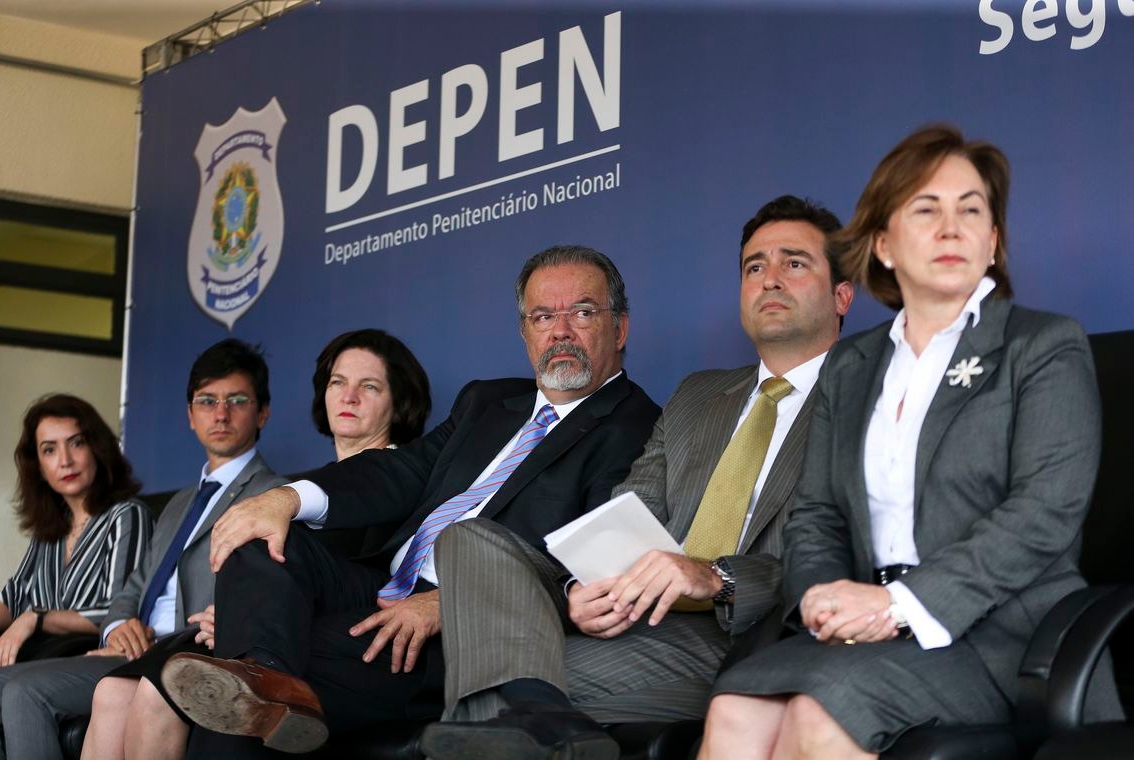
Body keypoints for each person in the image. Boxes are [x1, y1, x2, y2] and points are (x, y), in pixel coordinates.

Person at [700, 125, 1122, 759]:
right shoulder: (853, 366)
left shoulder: (1042, 345)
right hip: (866, 633)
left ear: (994, 240)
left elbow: (1043, 517)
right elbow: (816, 516)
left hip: (1001, 638)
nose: (952, 228)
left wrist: (897, 605)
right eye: (926, 210)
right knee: (734, 711)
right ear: (884, 245)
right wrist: (819, 598)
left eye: (971, 210)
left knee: (816, 719)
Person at [160, 244, 661, 757]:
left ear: (619, 328)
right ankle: (261, 670)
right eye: (542, 315)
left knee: (232, 700)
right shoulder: (486, 402)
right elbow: (401, 470)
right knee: (261, 540)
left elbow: (592, 561)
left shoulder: (636, 427)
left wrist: (458, 601)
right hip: (379, 586)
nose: (560, 331)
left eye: (581, 312)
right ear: (524, 331)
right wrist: (287, 497)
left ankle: (261, 674)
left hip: (452, 634)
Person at [420, 196, 854, 760]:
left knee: (489, 685)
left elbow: (849, 554)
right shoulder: (699, 395)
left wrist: (716, 578)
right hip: (641, 617)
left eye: (794, 263)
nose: (769, 279)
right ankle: (538, 714)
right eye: (754, 267)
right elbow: (629, 510)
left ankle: (534, 714)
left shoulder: (867, 397)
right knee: (468, 539)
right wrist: (581, 591)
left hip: (759, 635)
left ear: (842, 294)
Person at [81, 328, 432, 760]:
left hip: (326, 643)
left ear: (400, 402)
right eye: (338, 383)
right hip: (250, 636)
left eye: (370, 386)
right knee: (112, 691)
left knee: (159, 693)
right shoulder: (301, 490)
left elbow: (373, 583)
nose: (349, 397)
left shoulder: (408, 485)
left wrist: (238, 618)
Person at [0, 338, 285, 760]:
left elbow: (265, 589)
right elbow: (130, 590)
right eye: (207, 401)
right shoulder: (179, 503)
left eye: (236, 400)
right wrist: (118, 627)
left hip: (189, 647)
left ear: (262, 412)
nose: (220, 413)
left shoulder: (272, 496)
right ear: (190, 415)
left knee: (25, 694)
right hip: (133, 652)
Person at [0, 394, 152, 667]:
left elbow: (117, 613)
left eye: (76, 443)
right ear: (40, 469)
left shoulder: (126, 514)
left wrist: (37, 618)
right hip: (38, 659)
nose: (65, 460)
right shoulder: (51, 525)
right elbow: (14, 597)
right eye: (49, 450)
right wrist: (26, 617)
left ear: (97, 449)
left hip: (90, 661)